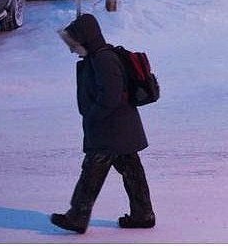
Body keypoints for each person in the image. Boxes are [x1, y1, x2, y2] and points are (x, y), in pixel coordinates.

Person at [51, 13, 155, 234]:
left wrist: (93, 116)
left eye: (74, 44)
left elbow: (110, 95)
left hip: (111, 129)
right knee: (132, 172)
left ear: (86, 39)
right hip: (120, 128)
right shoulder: (97, 57)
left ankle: (78, 217)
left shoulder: (103, 59)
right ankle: (143, 214)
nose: (72, 50)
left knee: (92, 173)